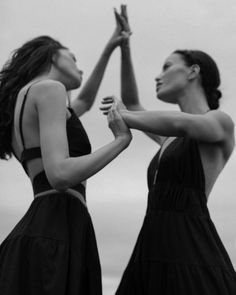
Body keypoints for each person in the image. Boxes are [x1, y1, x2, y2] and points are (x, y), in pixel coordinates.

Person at [101, 5, 236, 294]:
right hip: (150, 246)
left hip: (190, 248)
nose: (158, 76)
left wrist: (124, 116)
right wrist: (124, 47)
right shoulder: (168, 140)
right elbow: (134, 103)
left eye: (166, 66)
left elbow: (179, 123)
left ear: (193, 71)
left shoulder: (220, 122)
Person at [0, 11, 132, 295]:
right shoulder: (50, 89)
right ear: (52, 57)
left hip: (42, 229)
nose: (80, 69)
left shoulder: (25, 100)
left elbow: (83, 101)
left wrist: (111, 47)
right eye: (73, 58)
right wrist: (121, 140)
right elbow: (59, 175)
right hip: (57, 230)